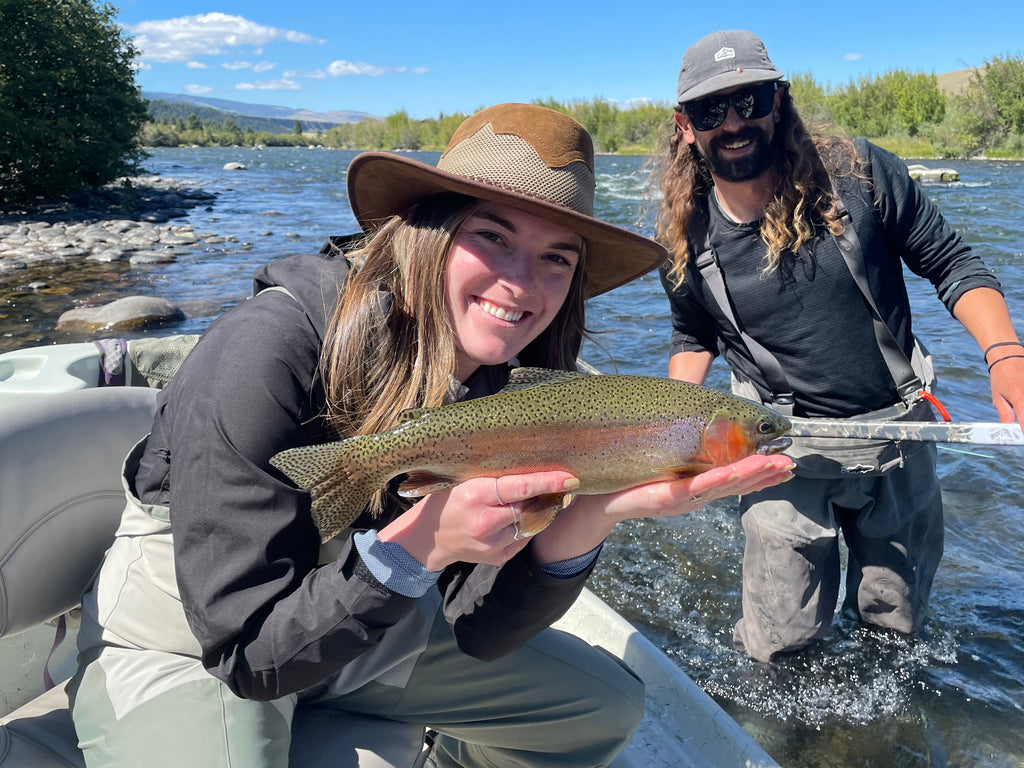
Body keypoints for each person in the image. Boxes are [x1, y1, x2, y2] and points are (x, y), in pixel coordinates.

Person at [67, 102, 795, 768]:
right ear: (426, 233)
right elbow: (249, 654)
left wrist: (595, 512)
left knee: (604, 710)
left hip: (361, 627)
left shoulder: (507, 382)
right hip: (196, 643)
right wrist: (424, 541)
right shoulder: (264, 349)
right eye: (491, 235)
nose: (521, 283)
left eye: (556, 258)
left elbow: (477, 628)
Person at [656, 30, 1024, 663]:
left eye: (752, 99)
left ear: (781, 101)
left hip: (899, 435)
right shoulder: (685, 237)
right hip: (777, 445)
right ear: (686, 126)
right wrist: (664, 438)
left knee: (896, 629)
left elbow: (953, 264)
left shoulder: (858, 175)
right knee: (780, 642)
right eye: (713, 110)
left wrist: (1006, 356)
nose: (736, 122)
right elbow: (694, 337)